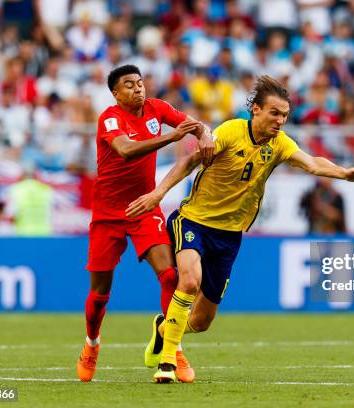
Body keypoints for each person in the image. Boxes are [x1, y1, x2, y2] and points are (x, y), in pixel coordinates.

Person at [125, 75, 354, 383]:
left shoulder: (279, 144)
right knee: (190, 282)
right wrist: (158, 194)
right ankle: (167, 362)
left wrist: (343, 173)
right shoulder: (231, 131)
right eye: (274, 113)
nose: (280, 121)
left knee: (203, 321)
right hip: (193, 221)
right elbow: (190, 161)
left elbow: (311, 162)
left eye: (284, 115)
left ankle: (164, 329)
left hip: (230, 234)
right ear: (256, 110)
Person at [76, 64, 214, 384]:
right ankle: (92, 344)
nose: (138, 89)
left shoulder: (156, 108)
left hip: (144, 206)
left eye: (140, 83)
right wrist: (171, 138)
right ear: (115, 93)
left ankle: (172, 346)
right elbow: (125, 150)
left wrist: (204, 134)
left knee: (170, 276)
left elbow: (193, 124)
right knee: (100, 293)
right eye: (129, 85)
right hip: (108, 213)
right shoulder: (110, 118)